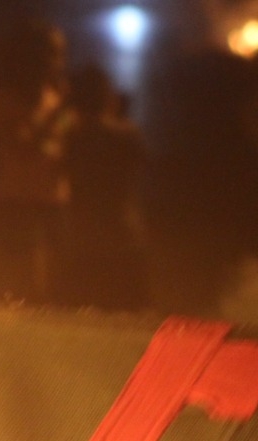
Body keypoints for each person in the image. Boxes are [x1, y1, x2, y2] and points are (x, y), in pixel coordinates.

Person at [0, 19, 71, 302]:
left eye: (61, 53)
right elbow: (20, 143)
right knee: (23, 282)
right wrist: (55, 116)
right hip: (18, 198)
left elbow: (63, 142)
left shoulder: (54, 94)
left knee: (53, 282)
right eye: (53, 53)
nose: (59, 61)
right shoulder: (7, 98)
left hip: (54, 198)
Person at [55, 64, 147, 311]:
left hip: (83, 232)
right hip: (122, 228)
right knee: (128, 307)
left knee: (83, 308)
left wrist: (65, 110)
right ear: (107, 97)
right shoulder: (127, 133)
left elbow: (57, 153)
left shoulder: (72, 134)